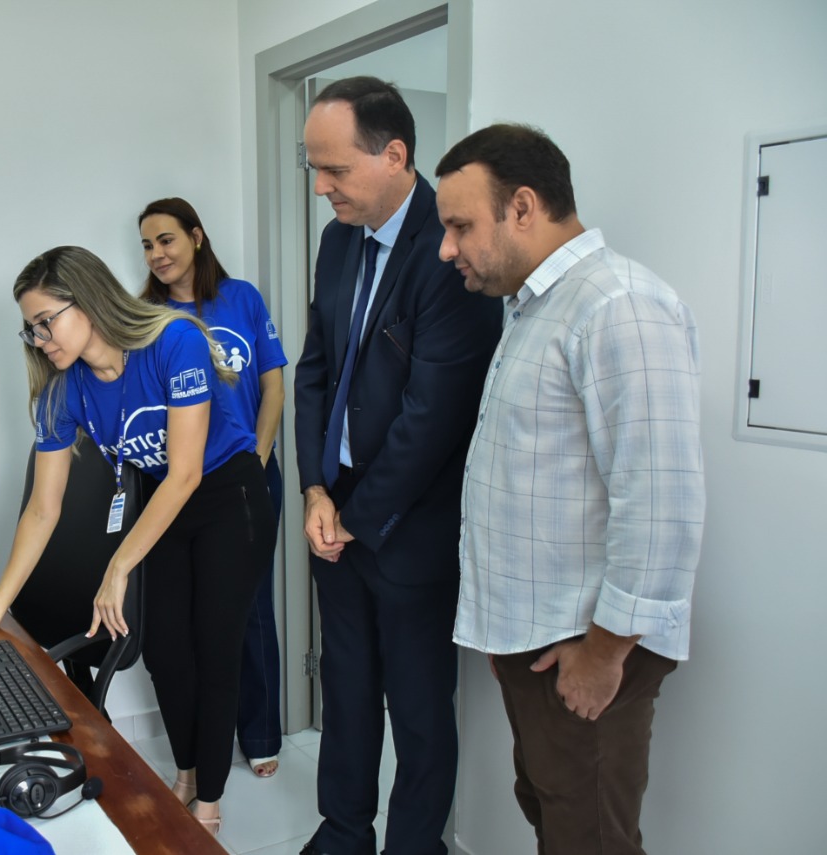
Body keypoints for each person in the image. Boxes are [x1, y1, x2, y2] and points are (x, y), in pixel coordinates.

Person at [0, 246, 276, 836]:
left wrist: (118, 567)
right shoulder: (64, 391)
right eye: (29, 328)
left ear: (85, 301)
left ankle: (207, 806)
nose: (38, 339)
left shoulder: (173, 342)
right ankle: (187, 772)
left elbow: (187, 470)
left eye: (46, 322)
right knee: (166, 654)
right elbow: (42, 507)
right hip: (165, 509)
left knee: (215, 653)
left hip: (227, 499)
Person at [434, 123, 704, 854]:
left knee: (589, 837)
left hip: (586, 650)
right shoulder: (533, 307)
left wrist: (605, 653)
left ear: (522, 206)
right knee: (557, 814)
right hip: (539, 638)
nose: (446, 248)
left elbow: (660, 504)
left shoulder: (617, 305)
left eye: (460, 225)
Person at [292, 77, 502, 855]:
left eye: (335, 170)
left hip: (410, 524)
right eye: (313, 169)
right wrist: (317, 487)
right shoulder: (337, 240)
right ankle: (344, 830)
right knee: (345, 690)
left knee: (418, 707)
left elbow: (432, 416)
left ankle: (415, 847)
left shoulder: (449, 250)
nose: (321, 189)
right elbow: (316, 365)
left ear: (394, 155)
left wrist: (353, 514)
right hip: (336, 510)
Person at [138, 197, 288, 778]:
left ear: (196, 237)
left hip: (246, 474)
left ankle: (261, 733)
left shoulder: (242, 298)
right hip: (179, 486)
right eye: (147, 245)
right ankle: (203, 752)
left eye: (166, 240)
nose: (156, 254)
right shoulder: (144, 315)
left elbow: (273, 386)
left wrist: (257, 455)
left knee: (249, 612)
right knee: (189, 622)